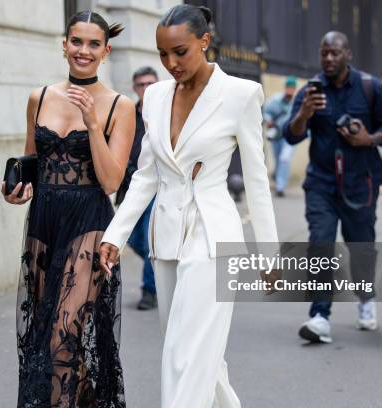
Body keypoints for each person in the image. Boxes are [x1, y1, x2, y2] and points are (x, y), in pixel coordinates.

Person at [100, 5, 278, 407]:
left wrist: (268, 253)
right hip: (165, 240)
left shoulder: (240, 94)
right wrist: (116, 234)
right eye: (163, 54)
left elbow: (256, 179)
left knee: (184, 355)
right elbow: (147, 174)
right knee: (198, 356)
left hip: (214, 241)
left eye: (180, 51)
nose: (171, 63)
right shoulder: (157, 97)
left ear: (204, 41)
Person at [1, 10, 135, 407]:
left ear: (106, 51)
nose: (84, 50)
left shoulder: (119, 106)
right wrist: (17, 189)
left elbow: (111, 181)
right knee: (45, 338)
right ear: (64, 45)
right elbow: (31, 161)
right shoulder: (38, 97)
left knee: (64, 338)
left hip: (88, 224)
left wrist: (93, 123)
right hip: (44, 221)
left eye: (94, 44)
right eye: (77, 42)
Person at [283, 31, 382, 343]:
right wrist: (304, 114)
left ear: (348, 54)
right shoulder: (310, 91)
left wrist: (368, 139)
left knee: (361, 248)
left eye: (335, 53)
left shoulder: (370, 88)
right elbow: (291, 136)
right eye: (324, 53)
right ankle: (319, 315)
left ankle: (365, 298)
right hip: (321, 184)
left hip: (361, 186)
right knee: (320, 244)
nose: (329, 58)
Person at [115, 66, 159, 310]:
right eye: (141, 85)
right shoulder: (126, 114)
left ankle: (149, 290)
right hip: (129, 187)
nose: (146, 89)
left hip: (155, 188)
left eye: (150, 83)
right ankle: (163, 268)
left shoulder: (167, 112)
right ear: (135, 88)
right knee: (133, 239)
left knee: (151, 240)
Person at [263, 76, 298, 197]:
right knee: (278, 159)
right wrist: (268, 120)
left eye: (292, 88)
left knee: (285, 158)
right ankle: (278, 178)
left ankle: (280, 187)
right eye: (288, 87)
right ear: (285, 88)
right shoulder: (275, 100)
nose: (290, 90)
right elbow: (266, 112)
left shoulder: (297, 103)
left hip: (290, 136)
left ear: (295, 89)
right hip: (277, 135)